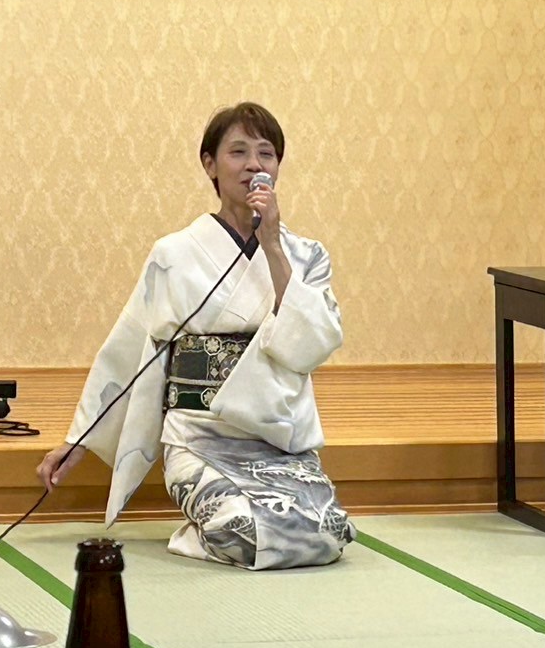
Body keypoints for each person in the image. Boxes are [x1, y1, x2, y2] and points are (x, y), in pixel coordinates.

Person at [36, 103, 354, 570]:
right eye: (238, 152)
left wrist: (271, 245)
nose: (253, 165)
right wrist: (78, 439)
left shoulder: (306, 255)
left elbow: (312, 344)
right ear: (210, 164)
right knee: (243, 529)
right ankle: (198, 531)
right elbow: (129, 348)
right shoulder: (174, 253)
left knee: (325, 533)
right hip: (200, 438)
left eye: (266, 154)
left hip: (277, 438)